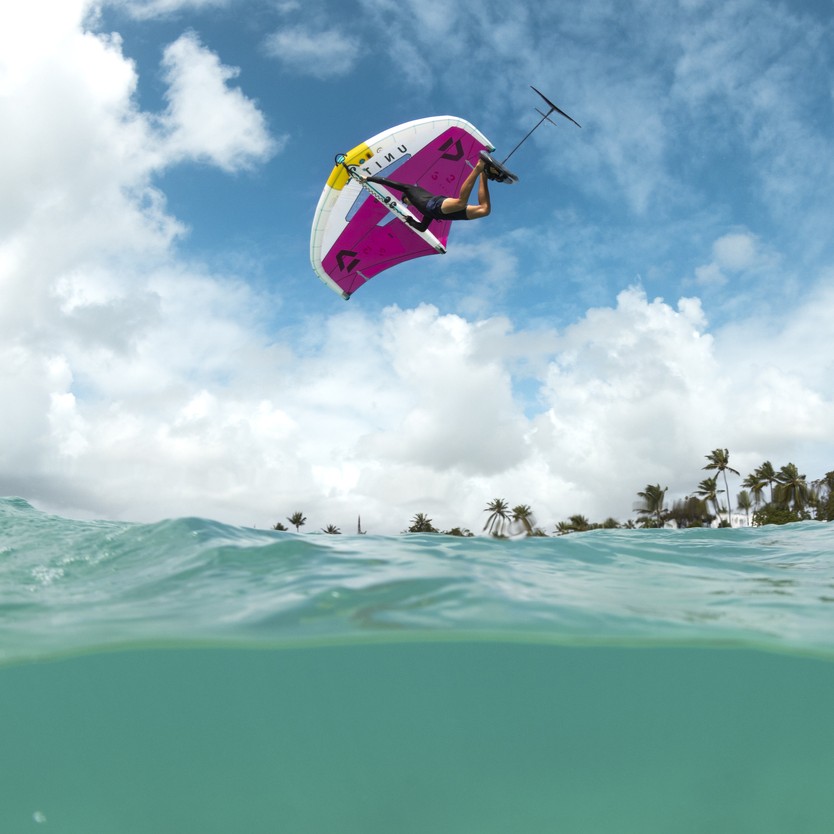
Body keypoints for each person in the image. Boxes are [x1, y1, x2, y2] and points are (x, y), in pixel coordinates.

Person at [358, 157, 494, 232]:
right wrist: (410, 221)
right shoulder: (424, 212)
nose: (407, 203)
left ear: (406, 198)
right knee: (484, 210)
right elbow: (422, 228)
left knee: (461, 202)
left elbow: (386, 181)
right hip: (441, 213)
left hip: (435, 205)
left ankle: (478, 166)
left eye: (405, 202)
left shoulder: (408, 190)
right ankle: (484, 174)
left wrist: (368, 178)